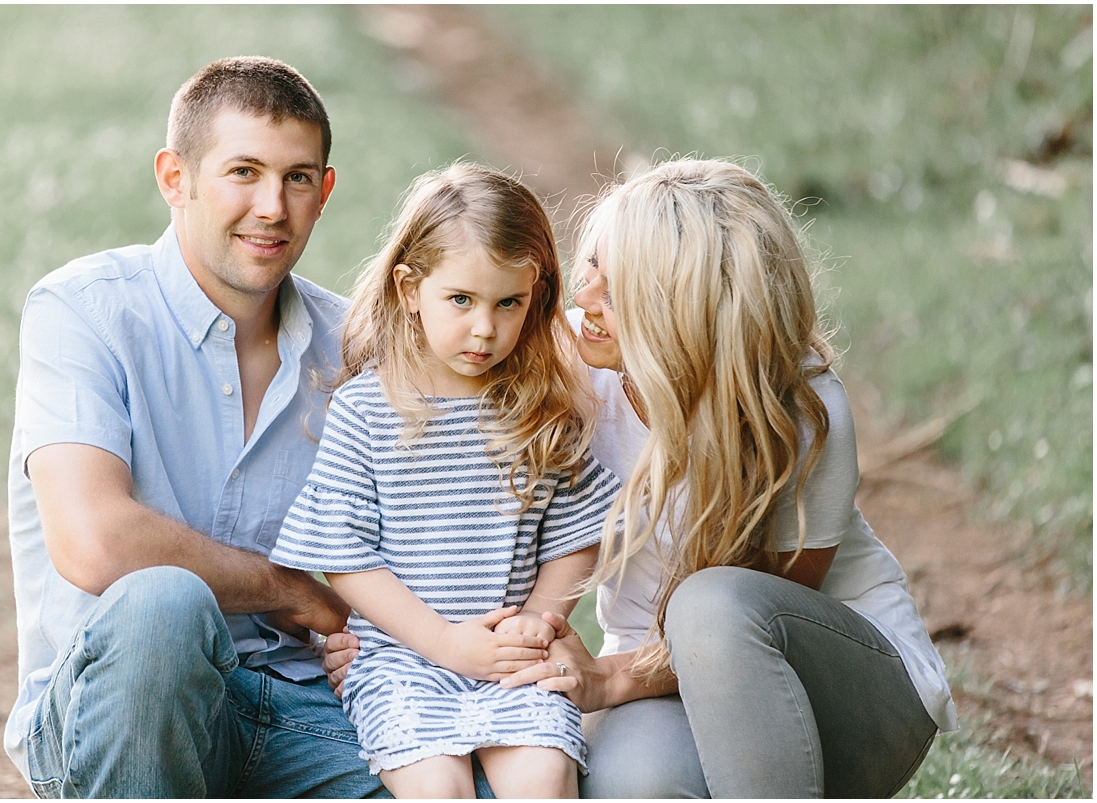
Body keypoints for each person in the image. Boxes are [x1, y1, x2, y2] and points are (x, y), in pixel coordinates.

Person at [324, 157, 958, 797]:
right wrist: (387, 639)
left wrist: (615, 679)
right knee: (632, 785)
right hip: (662, 682)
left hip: (845, 695)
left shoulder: (795, 409)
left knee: (711, 602)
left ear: (689, 308)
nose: (582, 298)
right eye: (592, 265)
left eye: (619, 287)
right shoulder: (562, 365)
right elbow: (418, 443)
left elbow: (761, 626)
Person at [4, 56, 389, 797]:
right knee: (163, 605)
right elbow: (95, 542)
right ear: (174, 178)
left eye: (298, 177)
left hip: (307, 713)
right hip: (118, 710)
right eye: (242, 171)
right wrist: (288, 590)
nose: (272, 206)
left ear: (325, 191)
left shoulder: (360, 349)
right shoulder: (81, 311)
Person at [270, 164, 621, 798]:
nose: (484, 328)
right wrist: (443, 644)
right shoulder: (368, 409)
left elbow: (578, 534)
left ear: (535, 298)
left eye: (507, 303)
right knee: (441, 789)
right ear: (410, 288)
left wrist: (540, 619)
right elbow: (345, 557)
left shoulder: (538, 407)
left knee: (545, 782)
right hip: (402, 661)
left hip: (513, 660)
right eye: (461, 300)